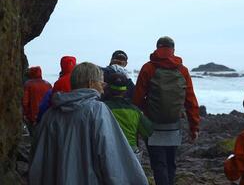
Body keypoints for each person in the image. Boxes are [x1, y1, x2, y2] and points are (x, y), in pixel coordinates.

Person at [29, 62, 148, 185]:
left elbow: (37, 160)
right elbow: (112, 158)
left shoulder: (50, 114)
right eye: (101, 83)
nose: (103, 89)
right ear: (91, 83)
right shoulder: (97, 110)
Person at [133, 36, 201, 185]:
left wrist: (137, 124)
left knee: (158, 164)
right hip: (174, 125)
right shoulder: (182, 70)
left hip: (152, 125)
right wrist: (194, 127)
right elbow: (190, 101)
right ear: (173, 50)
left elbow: (137, 98)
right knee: (171, 162)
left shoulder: (148, 68)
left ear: (157, 48)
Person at [103, 72, 153, 161]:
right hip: (131, 150)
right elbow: (148, 131)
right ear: (125, 91)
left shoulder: (101, 108)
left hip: (108, 149)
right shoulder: (135, 110)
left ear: (107, 89)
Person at [22, 66, 52, 135]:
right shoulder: (48, 84)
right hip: (46, 116)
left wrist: (25, 114)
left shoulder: (28, 84)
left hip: (33, 116)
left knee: (34, 136)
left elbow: (25, 102)